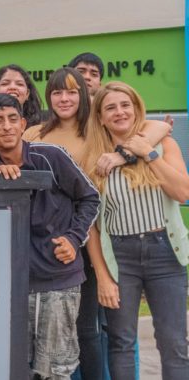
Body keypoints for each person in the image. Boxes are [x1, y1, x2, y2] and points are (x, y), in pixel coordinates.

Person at [0, 94, 100, 380]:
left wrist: (73, 238)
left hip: (59, 281)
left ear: (23, 124)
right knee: (12, 366)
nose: (6, 127)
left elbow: (90, 198)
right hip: (10, 287)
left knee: (56, 370)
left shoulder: (51, 155)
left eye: (13, 119)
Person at [83, 81, 189, 380]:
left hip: (165, 251)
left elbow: (183, 192)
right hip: (120, 257)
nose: (119, 112)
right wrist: (103, 277)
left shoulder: (163, 145)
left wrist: (148, 153)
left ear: (136, 108)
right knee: (121, 343)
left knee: (173, 343)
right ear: (101, 117)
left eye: (125, 105)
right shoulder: (94, 160)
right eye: (110, 108)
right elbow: (92, 226)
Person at [0, 63, 43, 128]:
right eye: (5, 83)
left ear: (27, 93)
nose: (12, 87)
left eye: (19, 84)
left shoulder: (40, 127)